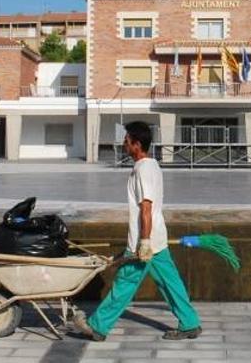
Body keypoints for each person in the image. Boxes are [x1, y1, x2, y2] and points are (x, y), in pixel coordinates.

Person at [74, 121, 201, 341]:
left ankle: (98, 326)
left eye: (127, 141)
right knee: (170, 282)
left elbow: (146, 207)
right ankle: (189, 323)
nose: (124, 145)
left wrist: (143, 241)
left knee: (125, 282)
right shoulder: (149, 166)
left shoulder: (144, 169)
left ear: (137, 144)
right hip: (156, 238)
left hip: (146, 240)